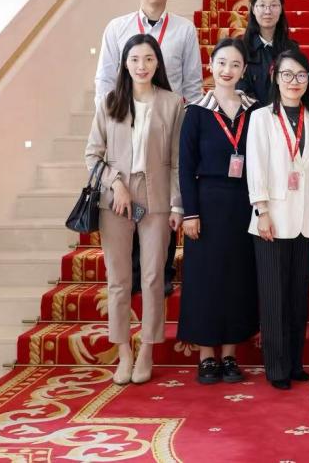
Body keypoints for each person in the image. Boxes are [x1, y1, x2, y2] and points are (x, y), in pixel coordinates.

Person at [94, 0, 202, 300]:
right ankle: (131, 271)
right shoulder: (117, 28)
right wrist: (107, 120)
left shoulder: (184, 29)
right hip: (124, 121)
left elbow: (193, 83)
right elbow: (105, 78)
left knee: (161, 196)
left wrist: (188, 126)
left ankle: (162, 271)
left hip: (168, 122)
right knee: (126, 197)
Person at [84, 34, 184, 386]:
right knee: (119, 279)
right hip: (116, 199)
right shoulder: (110, 101)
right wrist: (116, 184)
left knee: (154, 277)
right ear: (125, 64)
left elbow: (178, 161)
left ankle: (147, 351)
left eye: (149, 59)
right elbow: (93, 155)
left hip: (157, 196)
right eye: (135, 59)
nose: (142, 66)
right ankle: (124, 352)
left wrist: (177, 203)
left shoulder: (173, 103)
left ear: (158, 63)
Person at [178, 38, 260, 385]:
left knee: (238, 278)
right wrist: (190, 213)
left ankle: (229, 355)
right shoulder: (197, 110)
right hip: (207, 202)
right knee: (205, 280)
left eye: (235, 64)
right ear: (211, 66)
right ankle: (206, 356)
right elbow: (185, 166)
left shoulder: (255, 110)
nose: (228, 70)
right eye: (222, 63)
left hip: (244, 202)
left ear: (244, 70)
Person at [246, 47, 309, 390]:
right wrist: (261, 210)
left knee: (298, 295)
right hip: (272, 217)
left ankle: (295, 362)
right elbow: (256, 166)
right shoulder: (262, 117)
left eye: (301, 75)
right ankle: (276, 367)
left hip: (306, 215)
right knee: (274, 296)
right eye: (287, 74)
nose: (294, 81)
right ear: (275, 78)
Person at [238, 0, 298, 103]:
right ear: (253, 9)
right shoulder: (241, 49)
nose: (267, 11)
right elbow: (239, 91)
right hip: (250, 113)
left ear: (281, 9)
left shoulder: (291, 49)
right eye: (262, 5)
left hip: (283, 112)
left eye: (273, 5)